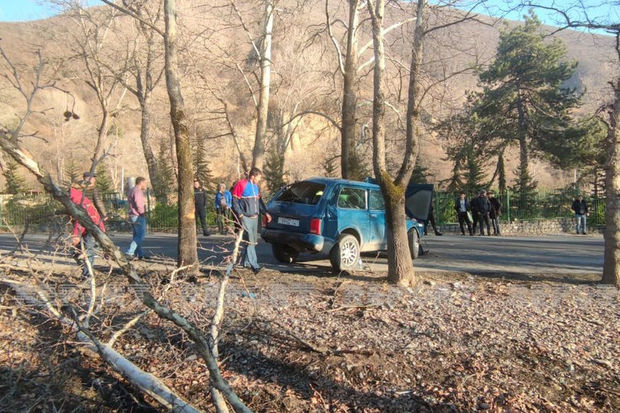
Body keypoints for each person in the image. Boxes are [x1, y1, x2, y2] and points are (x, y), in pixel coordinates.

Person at [232, 168, 272, 274]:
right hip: (246, 217)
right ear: (253, 176)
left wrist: (265, 213)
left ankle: (246, 263)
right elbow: (234, 200)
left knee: (252, 242)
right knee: (250, 241)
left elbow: (259, 202)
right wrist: (240, 214)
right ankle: (255, 265)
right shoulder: (241, 184)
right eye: (258, 178)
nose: (259, 180)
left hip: (255, 218)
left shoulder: (256, 186)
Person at [69, 181, 105, 277]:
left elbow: (80, 220)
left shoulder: (79, 202)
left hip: (92, 228)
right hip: (89, 227)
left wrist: (76, 235)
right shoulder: (79, 199)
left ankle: (88, 276)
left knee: (88, 251)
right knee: (76, 252)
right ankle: (86, 272)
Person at [125, 177, 148, 259]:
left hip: (133, 215)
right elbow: (139, 204)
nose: (146, 185)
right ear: (141, 182)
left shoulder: (132, 190)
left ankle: (139, 254)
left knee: (136, 236)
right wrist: (142, 213)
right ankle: (129, 252)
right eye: (145, 183)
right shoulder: (138, 191)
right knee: (140, 235)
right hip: (138, 216)